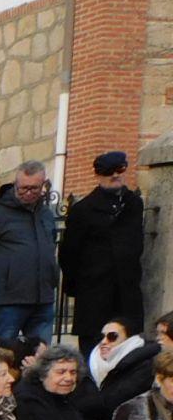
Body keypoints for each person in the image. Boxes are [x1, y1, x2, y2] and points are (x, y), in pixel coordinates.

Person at [0, 161, 60, 342]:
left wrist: (51, 279)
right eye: (23, 188)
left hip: (42, 299)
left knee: (41, 361)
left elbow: (50, 248)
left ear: (43, 186)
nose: (29, 193)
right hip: (6, 302)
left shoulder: (46, 215)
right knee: (0, 356)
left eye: (34, 188)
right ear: (15, 184)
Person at [61, 151, 145, 353]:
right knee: (94, 349)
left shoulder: (133, 203)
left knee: (128, 348)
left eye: (120, 169)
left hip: (126, 291)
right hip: (94, 293)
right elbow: (69, 253)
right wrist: (77, 286)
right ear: (98, 175)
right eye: (109, 172)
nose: (115, 175)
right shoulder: (83, 210)